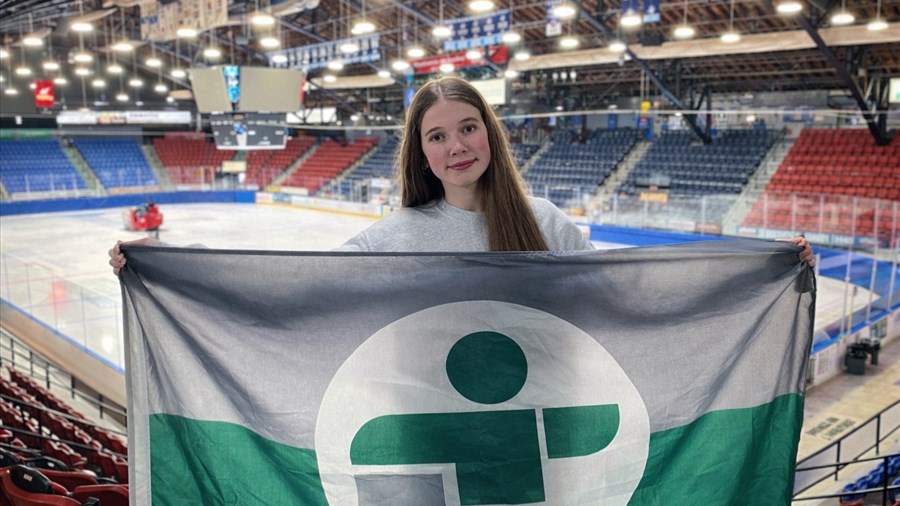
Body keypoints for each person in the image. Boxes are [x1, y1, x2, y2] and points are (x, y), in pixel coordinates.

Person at [108, 77, 815, 272]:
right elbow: (296, 290)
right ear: (421, 154)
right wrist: (162, 267)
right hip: (430, 419)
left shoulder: (548, 224)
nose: (456, 147)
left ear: (490, 134)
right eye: (437, 136)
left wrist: (766, 264)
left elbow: (626, 294)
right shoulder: (391, 238)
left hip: (546, 413)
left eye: (468, 128)